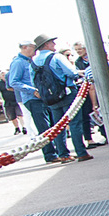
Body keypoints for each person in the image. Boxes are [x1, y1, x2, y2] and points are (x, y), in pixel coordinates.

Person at [31, 34, 90, 162]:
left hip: (50, 97)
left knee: (58, 126)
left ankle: (63, 154)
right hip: (67, 93)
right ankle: (81, 152)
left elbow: (33, 80)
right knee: (74, 123)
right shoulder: (57, 57)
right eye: (52, 42)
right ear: (46, 44)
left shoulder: (34, 62)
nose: (54, 44)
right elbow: (71, 73)